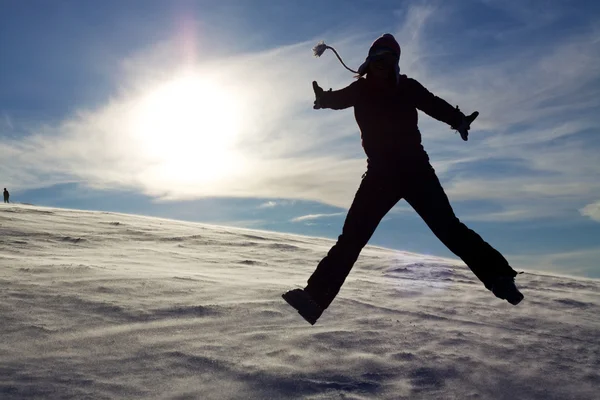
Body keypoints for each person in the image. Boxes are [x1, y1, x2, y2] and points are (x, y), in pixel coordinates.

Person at [283, 33, 523, 325]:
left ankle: (500, 277)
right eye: (379, 59)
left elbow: (433, 104)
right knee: (351, 238)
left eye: (390, 60)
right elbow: (338, 99)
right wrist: (324, 99)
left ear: (395, 65)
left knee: (449, 228)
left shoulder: (406, 87)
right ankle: (313, 300)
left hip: (416, 171)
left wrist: (458, 120)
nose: (384, 65)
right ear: (370, 62)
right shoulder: (360, 90)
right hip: (380, 175)